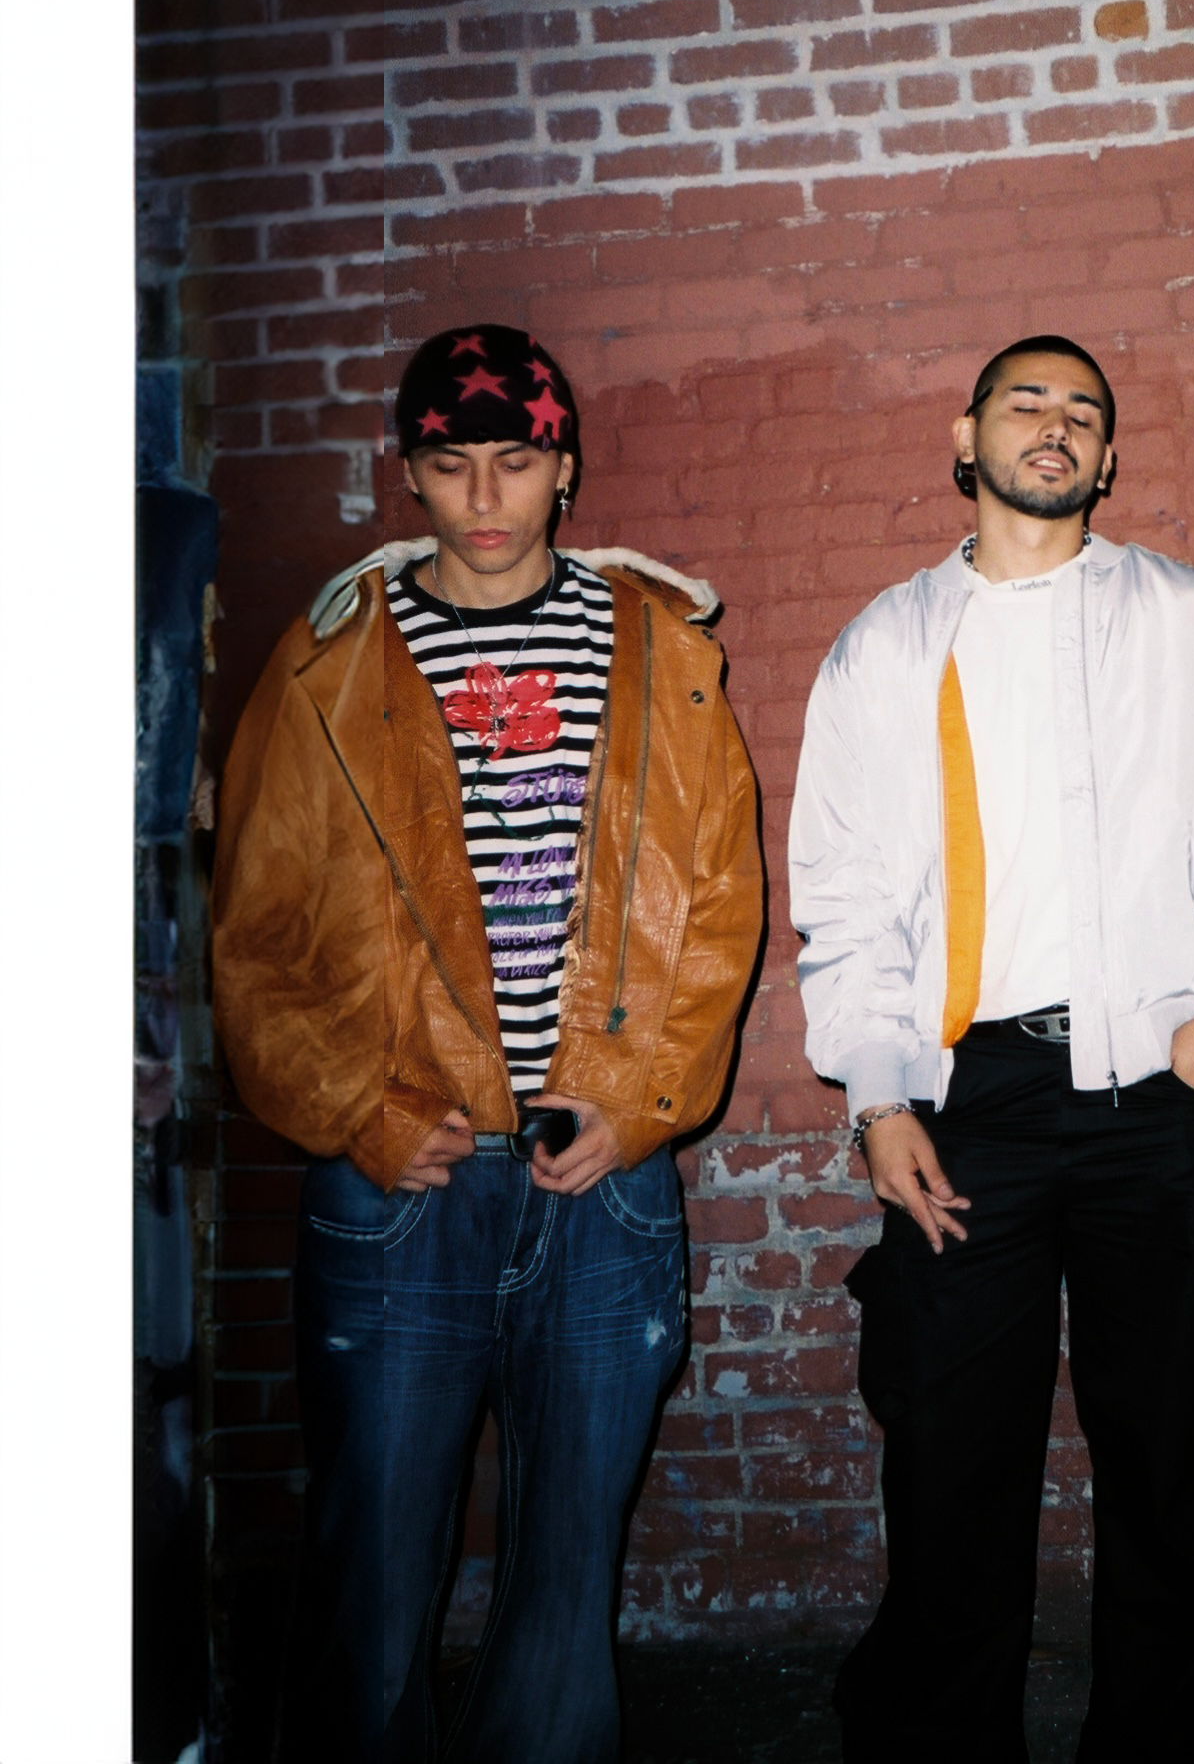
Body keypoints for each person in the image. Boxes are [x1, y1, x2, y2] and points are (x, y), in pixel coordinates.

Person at [211, 323, 764, 1764]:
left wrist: (644, 1101)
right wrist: (358, 1109)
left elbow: (720, 903)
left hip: (603, 1179)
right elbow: (257, 933)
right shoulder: (329, 662)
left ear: (564, 469)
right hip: (401, 1180)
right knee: (372, 1573)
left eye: (515, 461)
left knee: (568, 1575)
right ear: (409, 472)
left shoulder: (659, 649)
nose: (483, 497)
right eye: (450, 464)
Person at [789, 336, 1194, 1764]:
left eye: (1083, 411)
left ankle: (1160, 1737)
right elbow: (844, 888)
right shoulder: (888, 644)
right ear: (964, 436)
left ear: (1109, 457)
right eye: (1025, 402)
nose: (1055, 424)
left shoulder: (1190, 618)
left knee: (1159, 1440)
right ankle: (942, 1739)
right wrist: (878, 1096)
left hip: (1160, 1080)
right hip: (972, 1096)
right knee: (952, 1443)